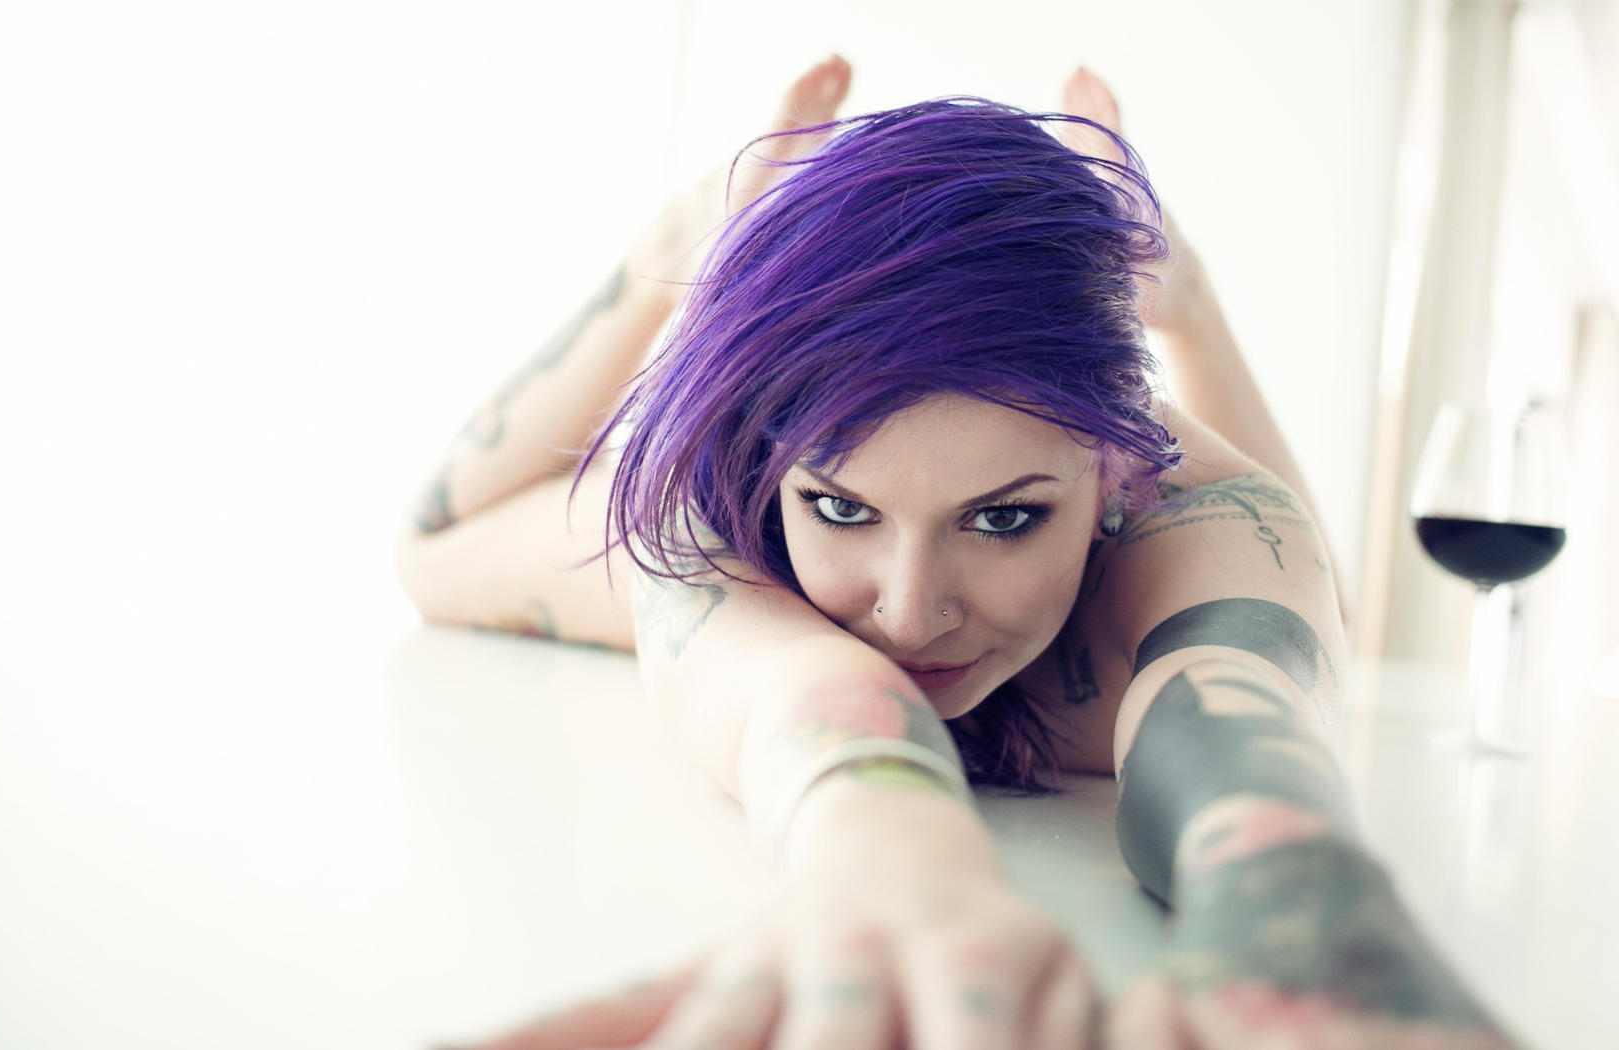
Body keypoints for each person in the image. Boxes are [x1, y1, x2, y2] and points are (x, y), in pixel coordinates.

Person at [395, 57, 1517, 1050]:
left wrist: (1299, 895)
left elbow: (1251, 702)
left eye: (1004, 519)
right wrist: (679, 247)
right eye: (841, 509)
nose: (908, 610)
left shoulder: (1194, 519)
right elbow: (440, 549)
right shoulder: (722, 507)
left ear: (1118, 473)